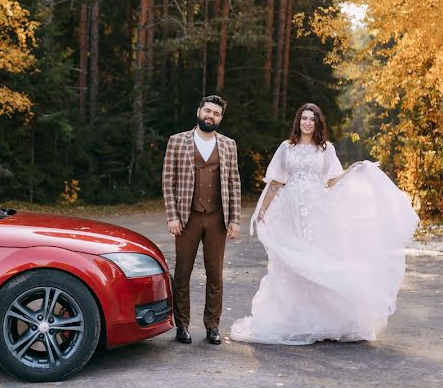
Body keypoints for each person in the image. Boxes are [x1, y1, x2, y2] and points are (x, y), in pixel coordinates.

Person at [230, 103, 419, 345]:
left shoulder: (325, 149)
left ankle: (323, 320)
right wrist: (263, 209)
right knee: (290, 263)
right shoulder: (286, 148)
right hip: (290, 210)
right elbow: (276, 182)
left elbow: (331, 181)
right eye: (304, 118)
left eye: (312, 119)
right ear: (298, 121)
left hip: (316, 211)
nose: (307, 123)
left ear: (318, 123)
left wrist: (352, 170)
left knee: (317, 258)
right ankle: (291, 319)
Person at [162, 95, 242, 345]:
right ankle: (182, 325)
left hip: (218, 218)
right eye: (208, 111)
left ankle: (212, 326)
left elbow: (234, 182)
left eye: (216, 113)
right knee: (182, 272)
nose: (211, 116)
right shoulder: (177, 141)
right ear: (199, 112)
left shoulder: (229, 145)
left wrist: (235, 219)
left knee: (215, 275)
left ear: (221, 118)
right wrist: (173, 216)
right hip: (187, 218)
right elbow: (168, 180)